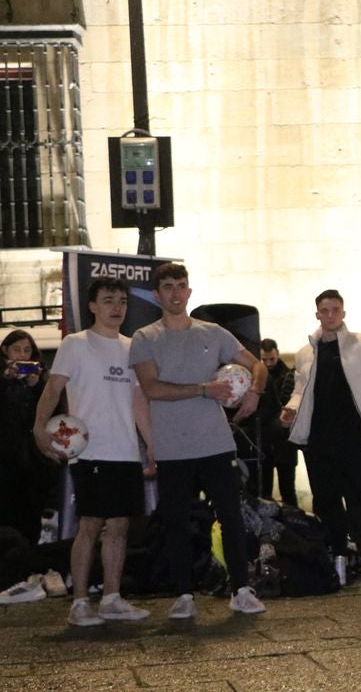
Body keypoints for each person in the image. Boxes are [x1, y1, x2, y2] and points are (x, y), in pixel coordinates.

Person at [129, 262, 267, 619]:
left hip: (216, 443)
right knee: (175, 521)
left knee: (232, 516)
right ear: (158, 295)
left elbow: (258, 365)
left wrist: (254, 391)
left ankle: (241, 589)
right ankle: (184, 593)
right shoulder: (146, 337)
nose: (176, 293)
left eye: (182, 286)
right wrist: (205, 390)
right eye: (169, 287)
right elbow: (151, 389)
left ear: (190, 291)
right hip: (173, 446)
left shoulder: (214, 332)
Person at [32, 277, 155, 626]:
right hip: (90, 451)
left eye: (121, 301)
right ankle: (81, 602)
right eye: (108, 300)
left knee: (119, 527)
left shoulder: (133, 347)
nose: (116, 308)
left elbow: (138, 403)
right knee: (90, 525)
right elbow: (52, 390)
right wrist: (40, 429)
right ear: (92, 306)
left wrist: (152, 446)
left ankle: (113, 598)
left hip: (126, 451)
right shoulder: (75, 344)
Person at [283, 290, 361, 582]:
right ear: (318, 314)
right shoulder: (305, 352)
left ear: (343, 313)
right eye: (325, 310)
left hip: (353, 432)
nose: (331, 314)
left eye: (336, 309)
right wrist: (290, 409)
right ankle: (339, 553)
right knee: (326, 498)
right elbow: (301, 389)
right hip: (318, 436)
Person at [1, 329, 55, 545]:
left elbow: (50, 413)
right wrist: (6, 380)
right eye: (17, 350)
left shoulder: (42, 379)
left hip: (33, 460)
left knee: (31, 513)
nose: (22, 355)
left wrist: (37, 387)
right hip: (5, 458)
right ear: (5, 351)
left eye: (27, 350)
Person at [257, 338, 298, 506]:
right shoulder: (284, 375)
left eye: (271, 359)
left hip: (282, 439)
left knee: (286, 489)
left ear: (277, 354)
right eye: (264, 359)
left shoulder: (289, 376)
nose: (268, 363)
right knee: (266, 490)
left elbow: (284, 405)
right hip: (269, 440)